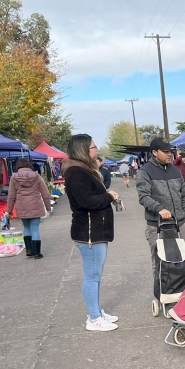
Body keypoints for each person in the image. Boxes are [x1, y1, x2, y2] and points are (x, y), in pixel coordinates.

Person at [63, 134, 120, 332]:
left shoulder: (83, 170)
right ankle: (94, 318)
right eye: (93, 147)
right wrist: (108, 197)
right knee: (92, 276)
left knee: (95, 275)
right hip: (88, 232)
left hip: (95, 230)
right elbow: (85, 201)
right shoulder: (76, 172)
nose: (96, 150)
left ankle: (96, 312)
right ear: (83, 150)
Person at [136, 137, 185, 284]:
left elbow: (184, 194)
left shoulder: (175, 170)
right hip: (157, 226)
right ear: (154, 152)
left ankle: (181, 294)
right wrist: (160, 209)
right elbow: (143, 197)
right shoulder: (145, 171)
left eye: (170, 151)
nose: (169, 154)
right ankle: (162, 295)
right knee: (160, 262)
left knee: (181, 260)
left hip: (179, 224)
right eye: (165, 151)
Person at [6, 158, 52, 259]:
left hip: (22, 206)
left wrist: (8, 211)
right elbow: (45, 193)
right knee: (35, 229)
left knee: (26, 228)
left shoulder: (14, 178)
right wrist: (48, 207)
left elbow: (11, 196)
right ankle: (37, 253)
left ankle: (29, 251)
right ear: (29, 165)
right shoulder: (37, 176)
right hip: (35, 205)